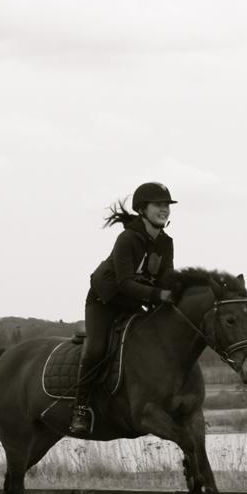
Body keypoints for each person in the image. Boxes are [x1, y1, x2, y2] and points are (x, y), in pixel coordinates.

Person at [70, 182, 177, 436]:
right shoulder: (127, 238)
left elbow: (167, 279)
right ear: (142, 209)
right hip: (104, 300)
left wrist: (178, 293)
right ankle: (80, 409)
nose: (164, 209)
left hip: (133, 302)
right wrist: (158, 294)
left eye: (166, 206)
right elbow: (125, 283)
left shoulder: (166, 242)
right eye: (158, 205)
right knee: (96, 350)